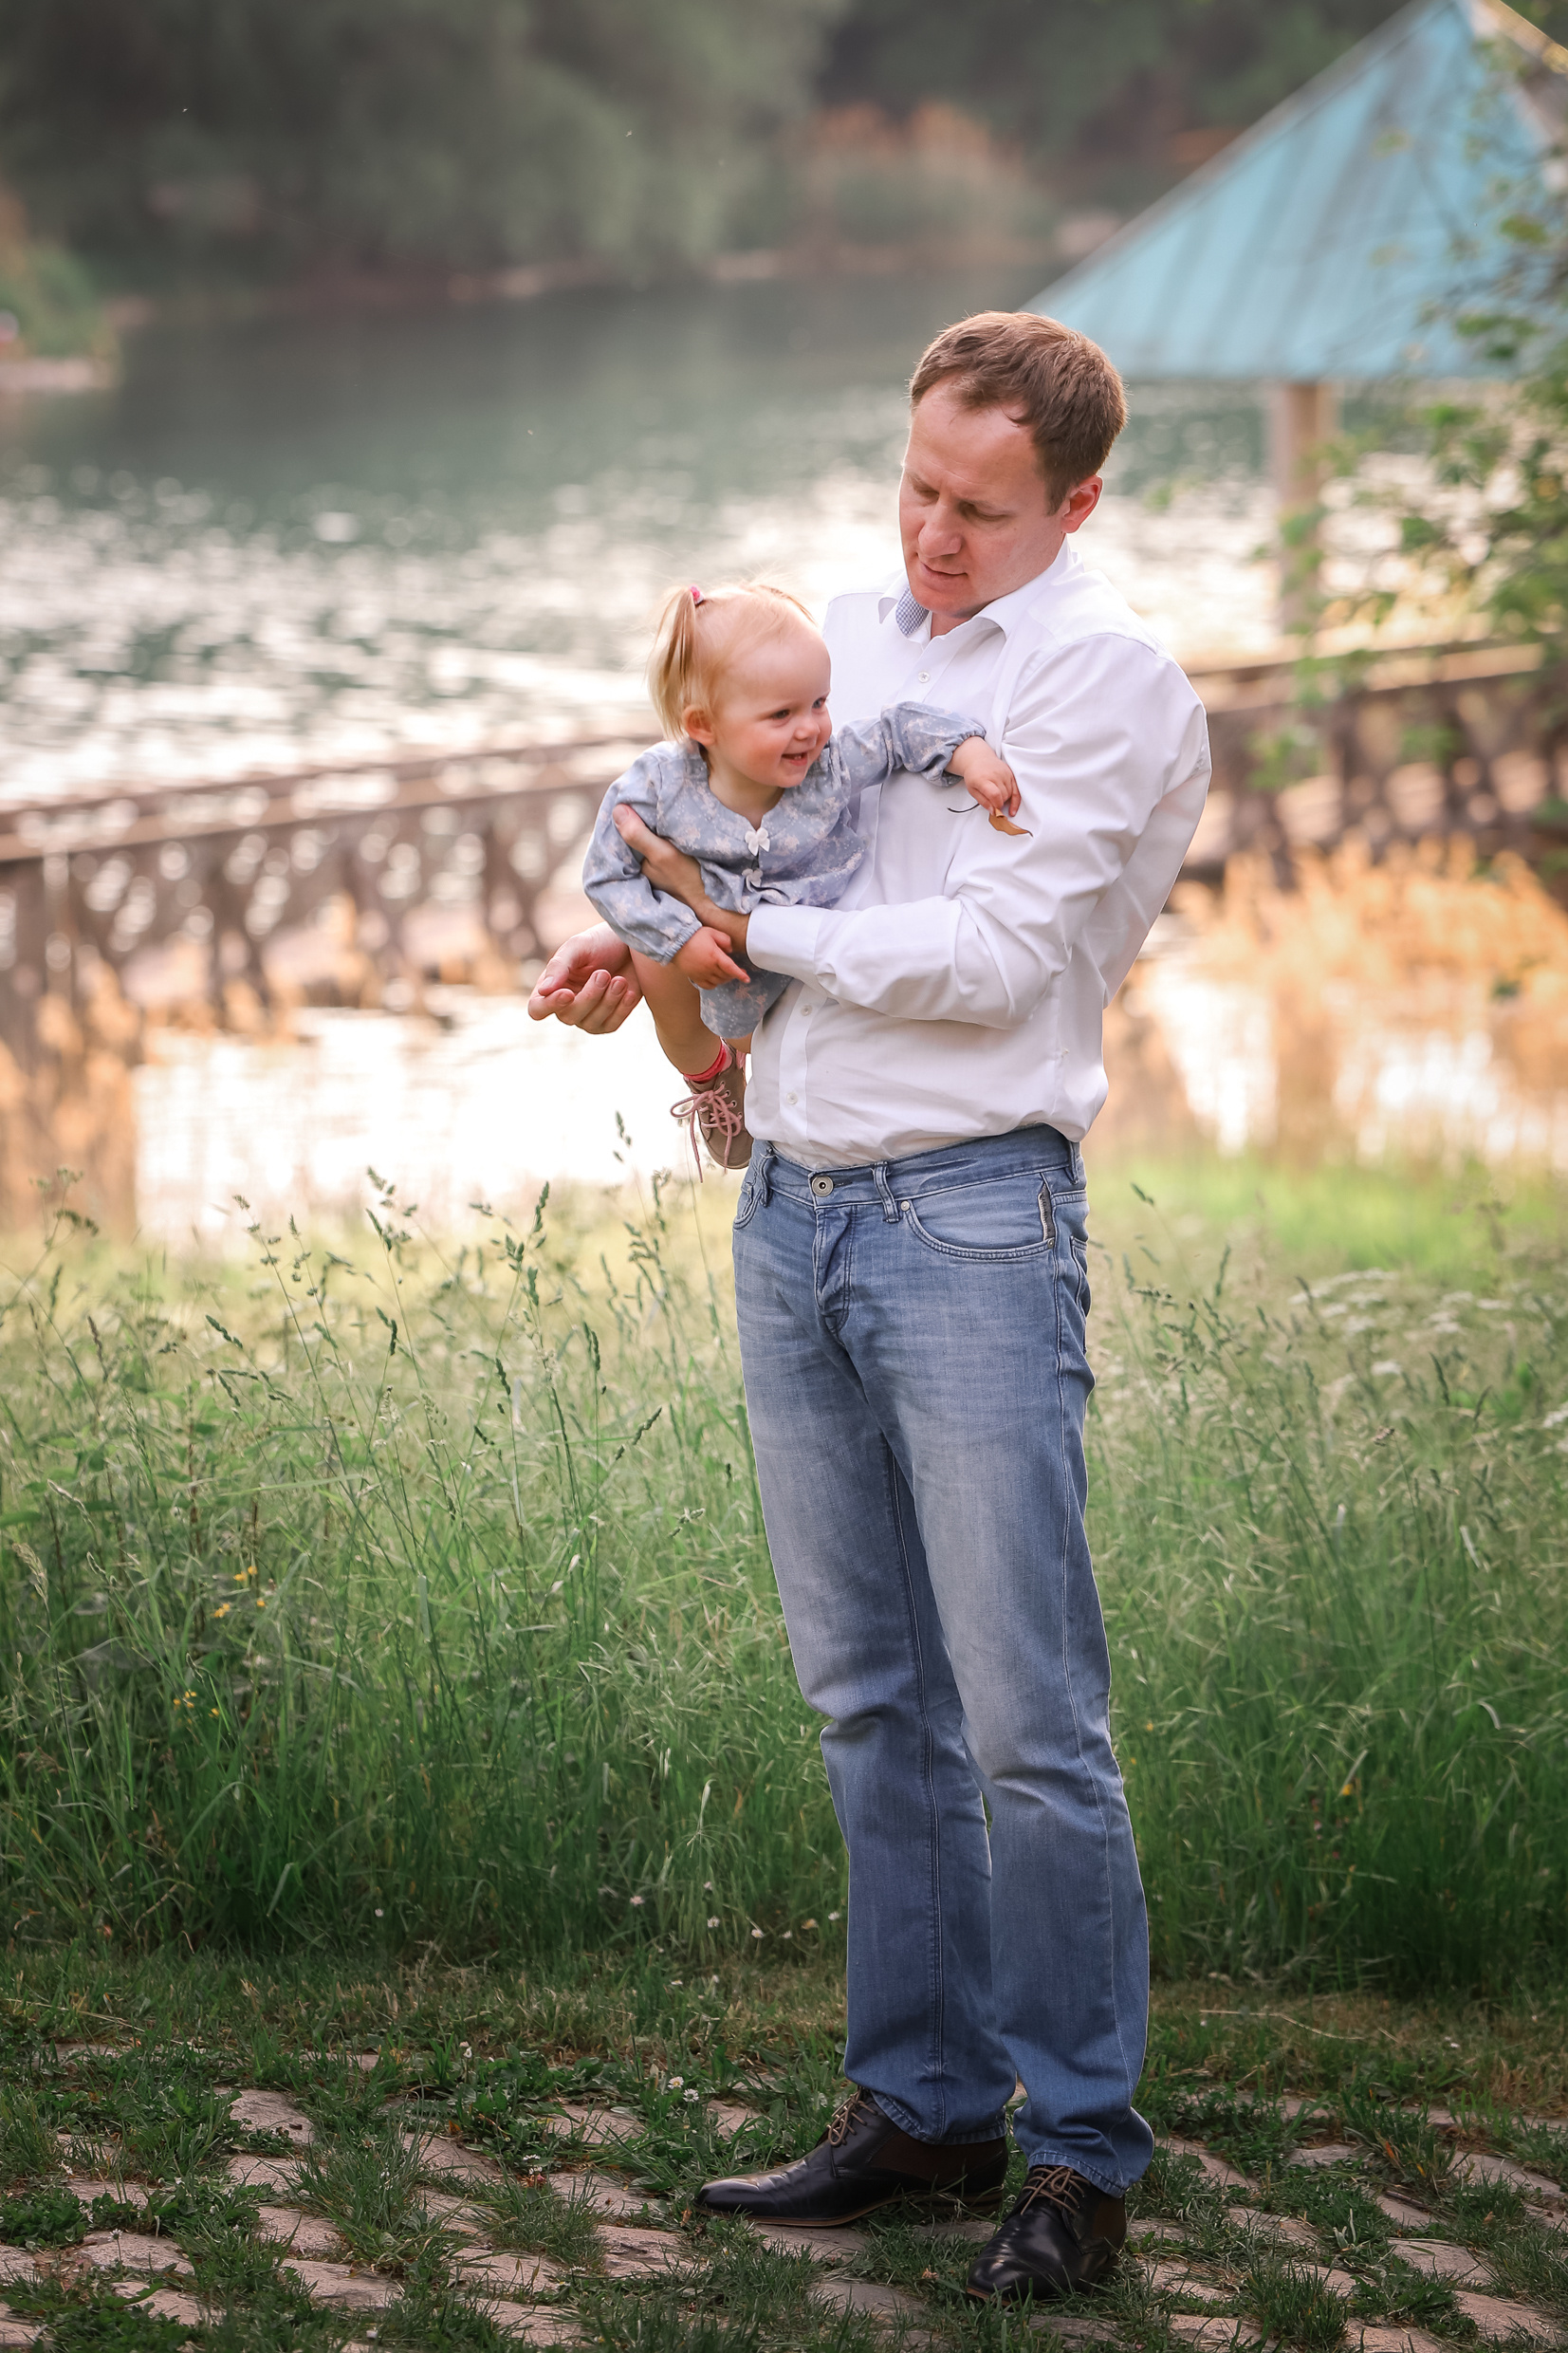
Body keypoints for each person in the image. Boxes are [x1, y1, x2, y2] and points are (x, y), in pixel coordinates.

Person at [529, 310, 1210, 2307]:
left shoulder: (1105, 681)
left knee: (1027, 1725)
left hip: (977, 1219)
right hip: (794, 1214)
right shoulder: (837, 636)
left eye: (977, 510)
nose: (928, 535)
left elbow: (1001, 959)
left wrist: (761, 931)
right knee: (868, 1705)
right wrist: (639, 937)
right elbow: (726, 845)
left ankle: (1077, 2145)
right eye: (914, 485)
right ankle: (917, 2106)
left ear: (1071, 503)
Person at [581, 577, 1022, 1170]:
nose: (810, 729)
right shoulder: (659, 785)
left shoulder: (828, 769)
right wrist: (677, 938)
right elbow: (607, 873)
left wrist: (968, 754)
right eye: (781, 714)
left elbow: (894, 732)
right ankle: (710, 1079)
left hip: (797, 947)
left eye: (819, 702)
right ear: (704, 726)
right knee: (659, 974)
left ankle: (742, 1061)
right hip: (708, 954)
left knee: (765, 1037)